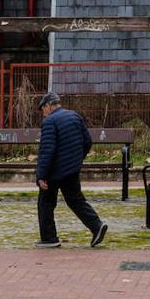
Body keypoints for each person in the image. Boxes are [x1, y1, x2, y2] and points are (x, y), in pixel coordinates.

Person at [34, 91, 109, 248]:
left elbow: (47, 151)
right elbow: (87, 141)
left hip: (54, 172)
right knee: (76, 200)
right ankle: (97, 226)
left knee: (45, 203)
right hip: (72, 170)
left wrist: (41, 175)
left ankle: (49, 238)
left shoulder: (50, 122)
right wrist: (76, 159)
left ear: (48, 106)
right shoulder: (74, 116)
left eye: (43, 110)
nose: (43, 114)